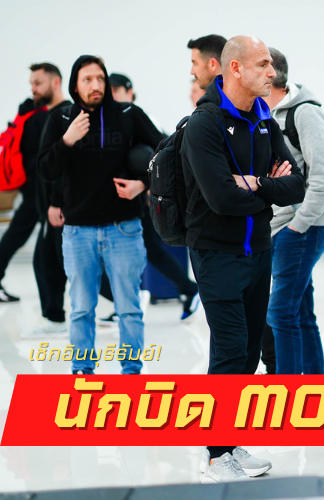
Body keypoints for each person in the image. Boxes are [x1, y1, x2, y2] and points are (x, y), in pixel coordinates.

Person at [181, 36, 304, 482]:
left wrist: (252, 183)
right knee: (230, 349)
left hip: (259, 251)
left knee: (250, 351)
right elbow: (220, 199)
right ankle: (216, 456)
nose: (272, 72)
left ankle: (230, 443)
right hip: (216, 253)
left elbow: (296, 185)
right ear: (235, 68)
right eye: (263, 64)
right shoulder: (204, 124)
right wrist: (267, 187)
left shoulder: (264, 117)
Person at [38, 55, 164, 375]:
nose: (96, 85)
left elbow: (165, 153)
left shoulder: (128, 114)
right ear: (75, 86)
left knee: (129, 309)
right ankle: (83, 371)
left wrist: (143, 184)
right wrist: (67, 140)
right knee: (81, 309)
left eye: (100, 78)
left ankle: (131, 372)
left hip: (123, 229)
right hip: (77, 231)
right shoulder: (61, 118)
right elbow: (46, 170)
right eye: (87, 79)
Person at [97, 72, 201, 324]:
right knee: (140, 252)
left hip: (137, 200)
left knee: (136, 252)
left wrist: (146, 187)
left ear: (130, 92)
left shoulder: (140, 118)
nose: (112, 96)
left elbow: (162, 156)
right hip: (111, 201)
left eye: (117, 91)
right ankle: (134, 301)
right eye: (109, 91)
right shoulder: (103, 122)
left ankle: (134, 301)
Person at [262, 47, 324, 375]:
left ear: (270, 75)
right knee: (301, 314)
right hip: (282, 228)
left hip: (302, 228)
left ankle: (289, 393)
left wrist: (299, 225)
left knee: (280, 313)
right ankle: (316, 388)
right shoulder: (264, 114)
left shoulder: (304, 113)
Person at [3, 64, 70, 338]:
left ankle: (127, 302)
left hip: (57, 203)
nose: (33, 88)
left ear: (55, 83)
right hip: (43, 201)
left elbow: (58, 165)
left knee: (60, 263)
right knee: (45, 261)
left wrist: (56, 202)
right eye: (32, 83)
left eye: (38, 83)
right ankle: (55, 319)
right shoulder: (37, 116)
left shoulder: (63, 115)